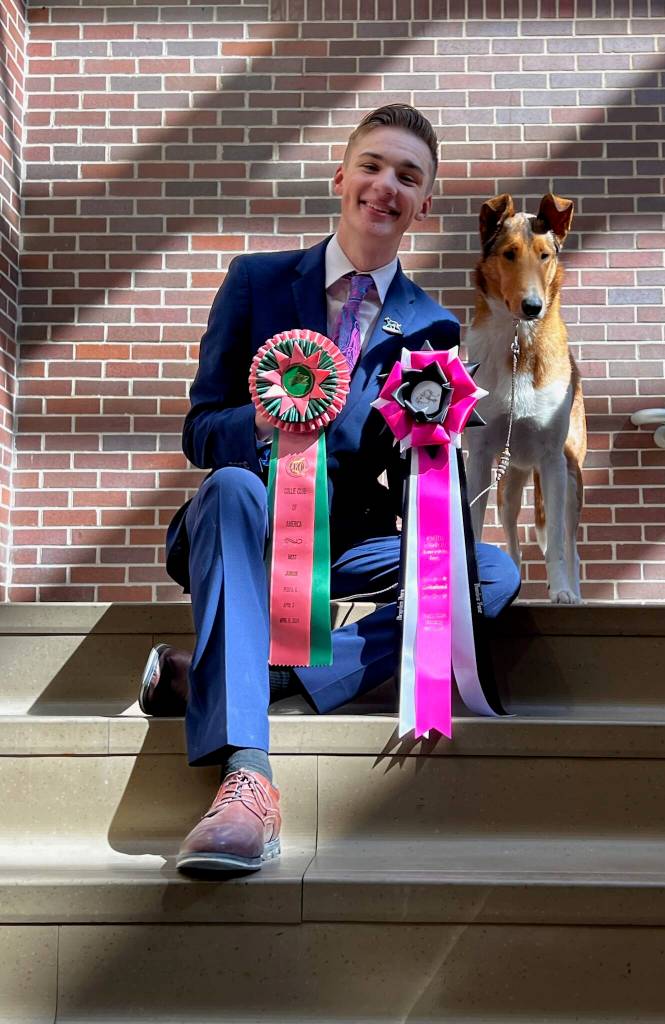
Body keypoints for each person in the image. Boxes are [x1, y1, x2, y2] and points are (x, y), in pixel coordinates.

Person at [143, 104, 521, 876]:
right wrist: (265, 420)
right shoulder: (255, 281)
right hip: (243, 523)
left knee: (491, 574)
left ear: (426, 204)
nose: (387, 186)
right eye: (374, 166)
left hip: (350, 541)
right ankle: (247, 778)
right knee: (228, 490)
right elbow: (198, 428)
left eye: (408, 177)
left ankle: (258, 671)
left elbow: (423, 470)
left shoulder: (433, 329)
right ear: (340, 176)